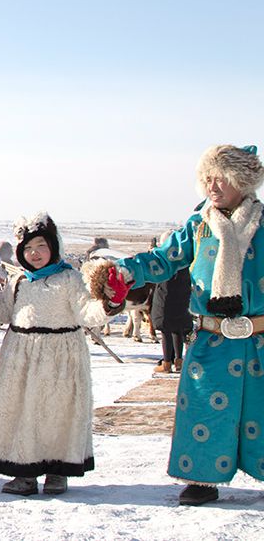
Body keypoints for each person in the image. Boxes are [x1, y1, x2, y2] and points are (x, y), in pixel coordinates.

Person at [116, 145, 264, 506]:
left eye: (221, 178)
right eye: (207, 178)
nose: (212, 186)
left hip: (260, 338)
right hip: (212, 339)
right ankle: (202, 479)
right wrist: (124, 271)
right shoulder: (198, 226)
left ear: (242, 180)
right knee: (203, 407)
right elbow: (163, 259)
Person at [0, 213, 127, 496]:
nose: (35, 253)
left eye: (41, 246)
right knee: (21, 413)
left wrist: (111, 302)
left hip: (60, 357)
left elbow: (87, 312)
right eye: (28, 248)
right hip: (21, 357)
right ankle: (24, 472)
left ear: (54, 246)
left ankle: (57, 470)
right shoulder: (20, 281)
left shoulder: (69, 278)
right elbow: (4, 313)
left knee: (57, 413)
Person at [150, 230, 193, 374]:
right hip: (182, 297)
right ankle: (178, 361)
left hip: (165, 297)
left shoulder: (163, 259)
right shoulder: (185, 258)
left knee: (166, 330)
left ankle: (167, 363)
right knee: (178, 329)